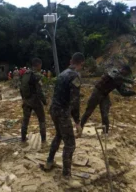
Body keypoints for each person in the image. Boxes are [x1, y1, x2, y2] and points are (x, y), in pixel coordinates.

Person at [45, 52, 85, 180]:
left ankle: (49, 161)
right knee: (70, 144)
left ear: (70, 61)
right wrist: (78, 122)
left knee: (59, 134)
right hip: (62, 112)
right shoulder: (75, 76)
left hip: (54, 110)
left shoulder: (62, 74)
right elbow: (75, 101)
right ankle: (66, 175)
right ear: (81, 63)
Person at [80, 64, 136, 134]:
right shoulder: (114, 71)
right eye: (126, 73)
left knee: (105, 115)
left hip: (105, 95)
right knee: (88, 112)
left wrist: (135, 92)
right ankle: (79, 128)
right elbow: (116, 77)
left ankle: (105, 133)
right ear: (123, 70)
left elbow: (123, 93)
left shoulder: (121, 80)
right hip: (97, 92)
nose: (126, 75)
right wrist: (132, 82)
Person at [20, 58, 47, 143]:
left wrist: (24, 99)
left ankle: (23, 138)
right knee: (42, 120)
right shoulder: (37, 75)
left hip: (26, 100)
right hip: (35, 101)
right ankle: (43, 140)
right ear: (38, 65)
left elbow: (21, 88)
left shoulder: (25, 74)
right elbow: (39, 91)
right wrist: (44, 101)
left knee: (25, 120)